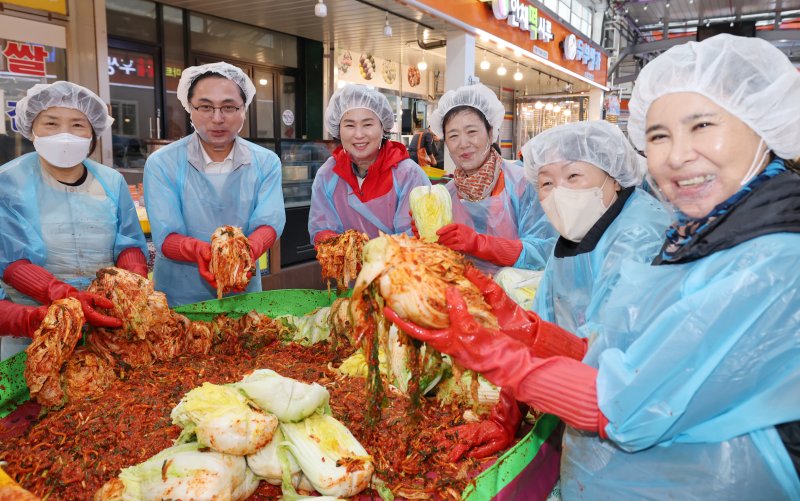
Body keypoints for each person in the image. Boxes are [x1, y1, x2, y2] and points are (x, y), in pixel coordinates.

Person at [386, 34, 800, 499]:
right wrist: (516, 325)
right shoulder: (702, 236)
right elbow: (607, 353)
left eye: (702, 125)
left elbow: (619, 405)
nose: (678, 154)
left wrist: (494, 354)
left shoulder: (772, 265)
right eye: (659, 135)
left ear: (764, 126)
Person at [0, 81, 148, 360]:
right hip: (37, 328)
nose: (64, 135)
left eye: (78, 125)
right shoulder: (8, 183)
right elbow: (11, 261)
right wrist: (63, 296)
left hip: (108, 326)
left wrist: (132, 284)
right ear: (31, 128)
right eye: (51, 123)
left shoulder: (110, 180)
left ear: (93, 132)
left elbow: (127, 241)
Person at [144, 62, 285, 307]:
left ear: (244, 109)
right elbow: (166, 236)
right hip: (180, 298)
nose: (217, 118)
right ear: (190, 108)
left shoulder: (265, 162)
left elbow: (269, 221)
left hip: (243, 293)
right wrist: (205, 253)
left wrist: (247, 252)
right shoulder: (162, 163)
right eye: (206, 107)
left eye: (229, 107)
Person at [522, 120, 669, 334]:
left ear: (614, 178)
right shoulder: (576, 234)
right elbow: (545, 310)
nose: (559, 193)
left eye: (573, 176)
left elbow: (613, 334)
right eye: (547, 183)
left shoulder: (640, 234)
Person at [426, 84, 557, 275]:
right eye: (453, 136)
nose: (463, 144)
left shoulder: (524, 183)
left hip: (517, 298)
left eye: (472, 132)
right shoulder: (447, 194)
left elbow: (543, 252)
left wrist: (480, 244)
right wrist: (428, 234)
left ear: (490, 133)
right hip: (465, 296)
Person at [308, 84, 430, 244]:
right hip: (345, 268)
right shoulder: (328, 174)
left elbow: (415, 238)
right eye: (350, 125)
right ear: (338, 130)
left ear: (383, 128)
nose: (359, 134)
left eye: (367, 124)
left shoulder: (408, 175)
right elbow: (321, 226)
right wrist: (333, 245)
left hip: (400, 266)